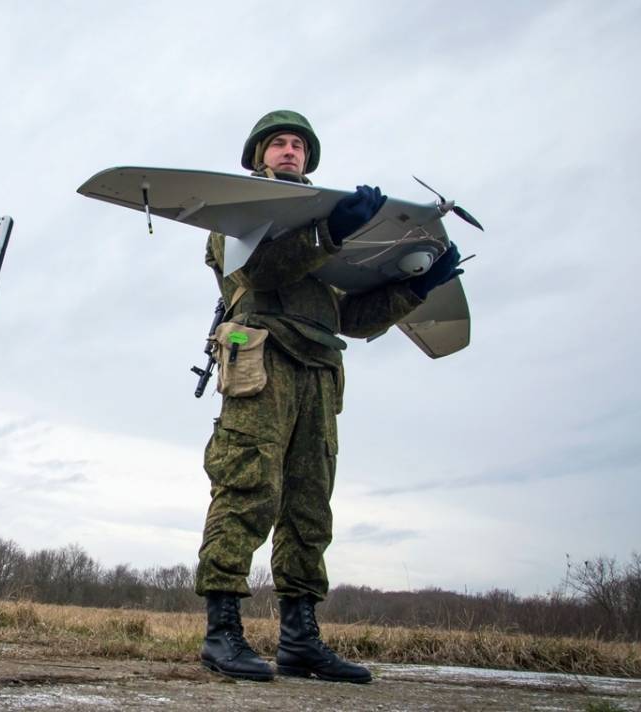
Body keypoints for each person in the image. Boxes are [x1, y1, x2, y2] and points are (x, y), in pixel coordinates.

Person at [195, 110, 462, 683]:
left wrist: (414, 288)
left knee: (310, 503)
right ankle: (222, 632)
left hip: (319, 367)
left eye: (298, 145)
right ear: (257, 156)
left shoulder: (333, 232)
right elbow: (260, 277)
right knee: (248, 483)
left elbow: (353, 318)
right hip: (261, 356)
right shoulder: (236, 216)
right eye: (279, 144)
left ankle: (299, 640)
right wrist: (329, 232)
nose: (290, 151)